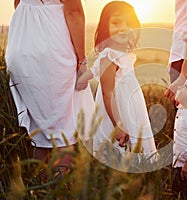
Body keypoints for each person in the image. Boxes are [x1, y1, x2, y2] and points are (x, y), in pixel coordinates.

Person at [5, 0, 94, 180]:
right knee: (64, 129)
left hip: (20, 44)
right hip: (52, 48)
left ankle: (37, 189)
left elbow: (17, 2)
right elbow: (73, 12)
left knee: (42, 130)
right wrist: (82, 61)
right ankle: (58, 190)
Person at [76, 1, 157, 162]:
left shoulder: (121, 55)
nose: (123, 27)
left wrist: (82, 80)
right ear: (105, 27)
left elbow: (93, 72)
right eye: (116, 22)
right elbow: (108, 94)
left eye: (128, 23)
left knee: (132, 149)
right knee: (119, 151)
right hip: (117, 111)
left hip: (130, 107)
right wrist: (118, 126)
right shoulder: (109, 57)